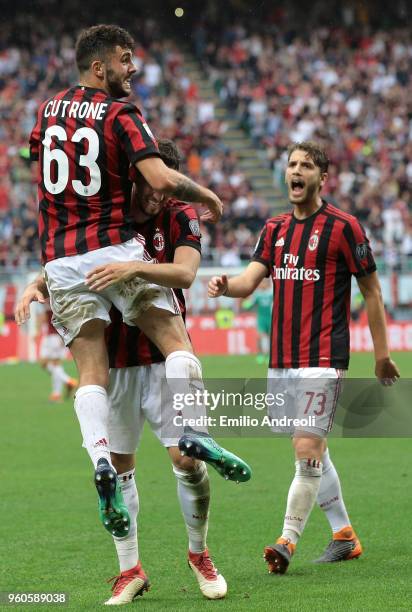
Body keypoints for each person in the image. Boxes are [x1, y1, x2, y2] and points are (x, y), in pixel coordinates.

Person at [21, 24, 249, 539]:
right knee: (176, 340)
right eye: (126, 60)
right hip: (111, 244)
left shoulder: (46, 111)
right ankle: (194, 430)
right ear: (100, 67)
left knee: (89, 370)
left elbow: (40, 165)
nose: (133, 69)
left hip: (60, 259)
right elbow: (163, 179)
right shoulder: (120, 113)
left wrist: (42, 275)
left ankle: (100, 459)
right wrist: (209, 195)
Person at [15, 140, 229, 604]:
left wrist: (131, 268)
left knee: (187, 463)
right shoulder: (108, 215)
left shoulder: (177, 216)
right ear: (133, 178)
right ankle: (129, 569)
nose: (156, 197)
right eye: (150, 187)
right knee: (119, 472)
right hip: (116, 368)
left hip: (161, 363)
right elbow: (69, 261)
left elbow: (186, 273)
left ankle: (199, 554)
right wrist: (35, 283)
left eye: (163, 190)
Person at [208, 141, 400, 572]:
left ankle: (286, 541)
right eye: (291, 164)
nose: (296, 172)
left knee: (306, 446)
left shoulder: (344, 227)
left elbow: (371, 290)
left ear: (321, 178)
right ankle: (344, 536)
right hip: (282, 360)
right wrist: (226, 285)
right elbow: (250, 280)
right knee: (314, 450)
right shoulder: (274, 228)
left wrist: (382, 355)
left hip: (323, 355)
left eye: (306, 166)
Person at [37, 304, 78, 402]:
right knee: (53, 365)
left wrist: (37, 330)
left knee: (48, 364)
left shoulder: (48, 303)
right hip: (56, 337)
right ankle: (62, 387)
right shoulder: (60, 303)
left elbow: (42, 318)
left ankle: (65, 385)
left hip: (52, 338)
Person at [243, 278, 272, 364]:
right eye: (261, 282)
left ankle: (269, 356)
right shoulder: (257, 294)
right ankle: (260, 354)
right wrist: (246, 305)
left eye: (264, 283)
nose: (262, 284)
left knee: (271, 338)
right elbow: (250, 304)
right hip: (261, 318)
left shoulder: (272, 293)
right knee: (260, 336)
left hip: (271, 318)